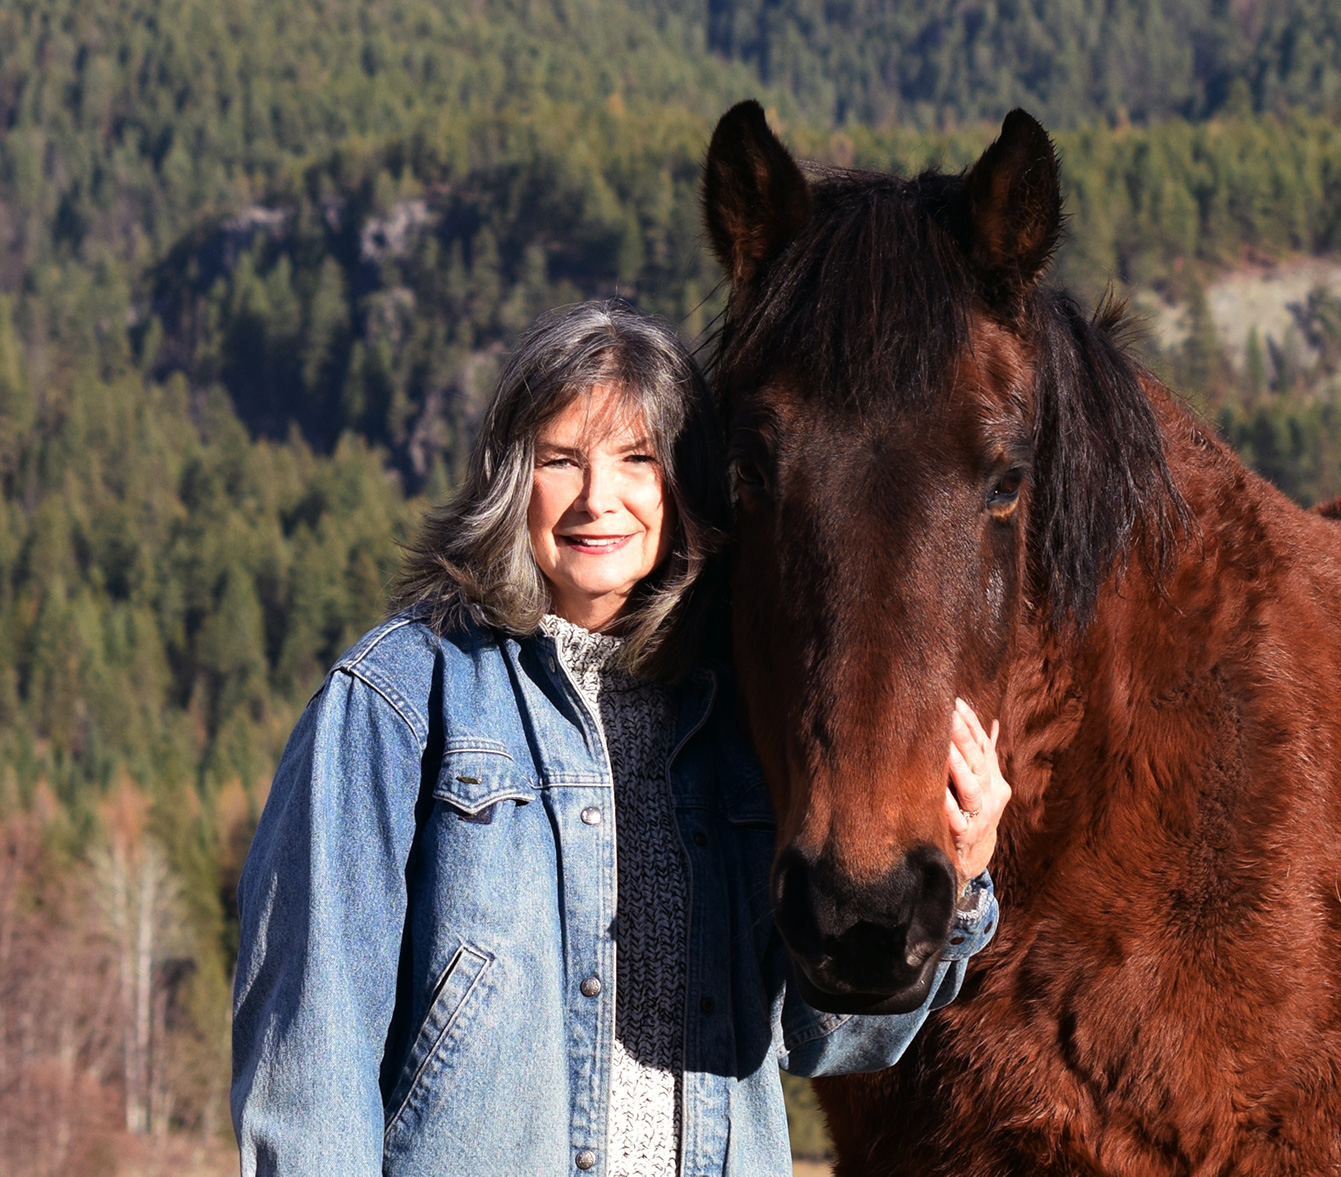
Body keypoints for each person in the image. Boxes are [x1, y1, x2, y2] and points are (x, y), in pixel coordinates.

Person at [231, 299, 1009, 1177]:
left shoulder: (734, 721)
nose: (599, 499)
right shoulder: (399, 699)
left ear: (686, 486)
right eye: (561, 458)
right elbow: (309, 1052)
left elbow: (827, 1040)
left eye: (637, 459)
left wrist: (964, 871)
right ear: (509, 478)